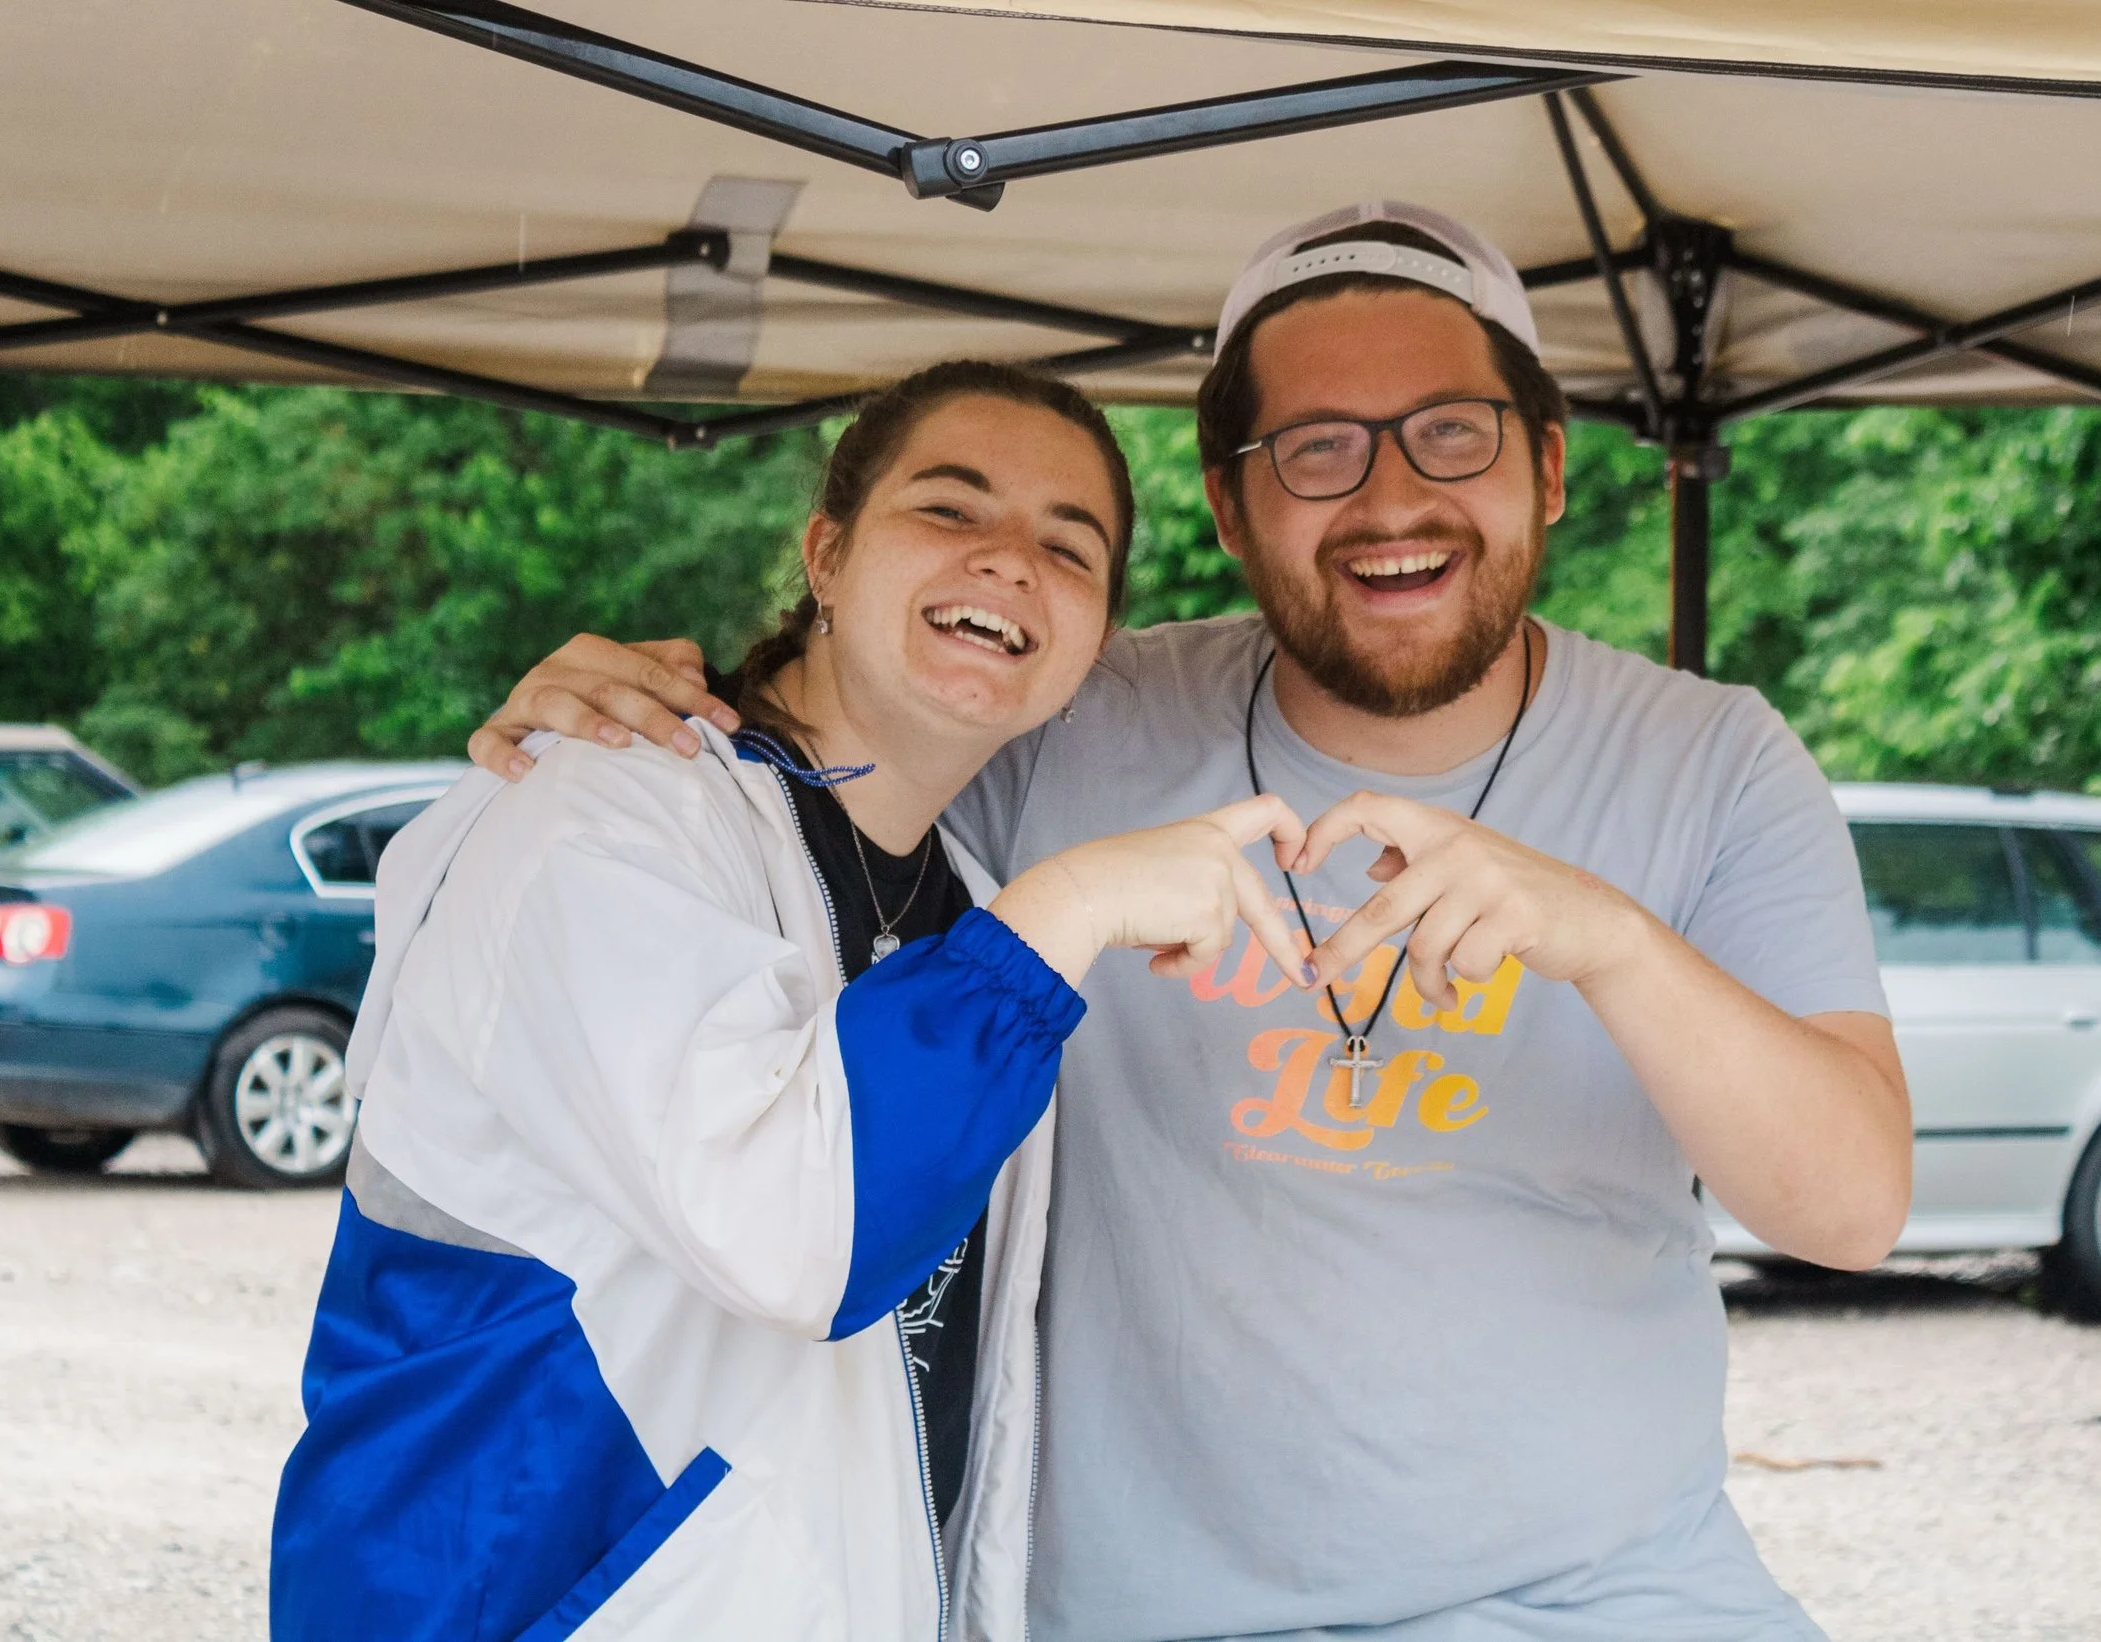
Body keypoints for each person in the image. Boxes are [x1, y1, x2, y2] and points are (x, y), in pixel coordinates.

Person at [471, 204, 1914, 1640]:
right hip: (1145, 1610)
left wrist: (1610, 938)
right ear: (1232, 508)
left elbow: (1846, 1209)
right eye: (1317, 448)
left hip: (1612, 1598)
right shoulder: (1082, 713)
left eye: (1452, 433)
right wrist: (647, 695)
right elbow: (846, 726)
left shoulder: (1713, 755)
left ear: (1544, 466)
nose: (1392, 496)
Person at [268, 360, 1313, 1642]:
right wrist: (1076, 903)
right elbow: (801, 1231)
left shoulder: (964, 896)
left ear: (1093, 639)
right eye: (950, 508)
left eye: (1069, 545)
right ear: (826, 554)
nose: (1008, 562)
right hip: (523, 1595)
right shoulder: (605, 817)